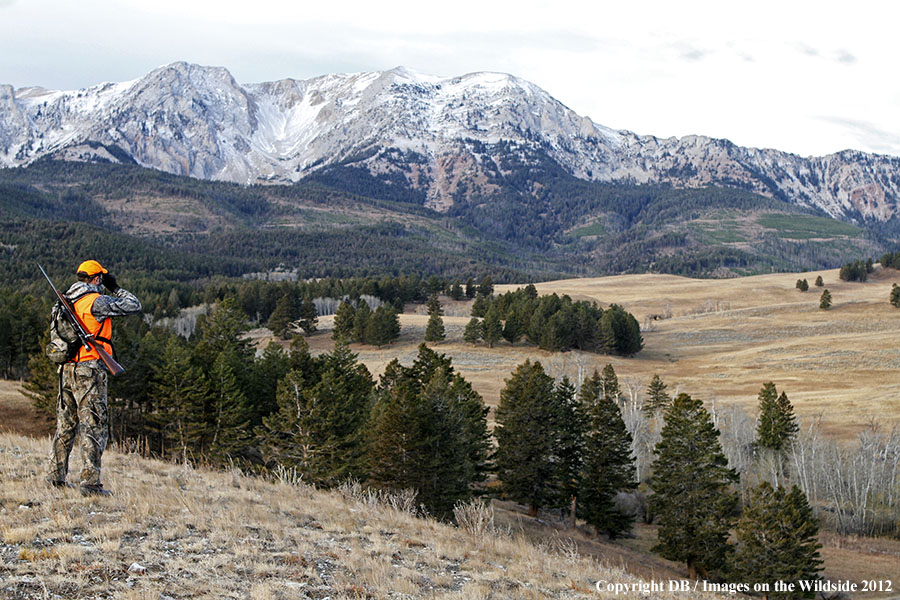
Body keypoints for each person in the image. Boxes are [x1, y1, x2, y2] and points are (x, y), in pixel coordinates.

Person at [47, 260, 142, 496]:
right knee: (94, 425)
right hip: (90, 370)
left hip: (67, 369)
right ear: (98, 278)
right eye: (103, 279)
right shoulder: (96, 301)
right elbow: (133, 304)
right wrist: (116, 288)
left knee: (66, 425)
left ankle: (55, 477)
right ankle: (90, 483)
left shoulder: (63, 302)